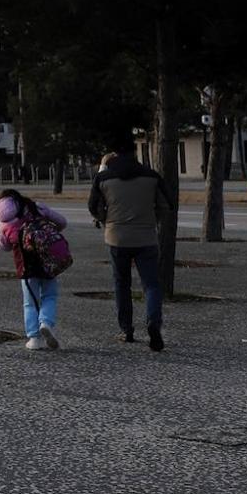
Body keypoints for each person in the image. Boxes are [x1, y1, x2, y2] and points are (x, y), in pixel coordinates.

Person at [88, 136, 172, 352]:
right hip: (146, 237)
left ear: (114, 154)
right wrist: (153, 221)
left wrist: (107, 220)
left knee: (121, 284)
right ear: (135, 153)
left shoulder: (104, 179)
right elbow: (166, 205)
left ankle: (127, 329)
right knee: (152, 284)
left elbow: (93, 206)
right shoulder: (151, 176)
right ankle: (154, 322)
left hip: (117, 237)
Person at [0, 188, 69, 351]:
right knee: (50, 295)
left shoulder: (4, 225)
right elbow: (62, 222)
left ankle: (34, 338)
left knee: (30, 303)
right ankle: (46, 322)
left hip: (25, 266)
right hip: (48, 262)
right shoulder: (37, 208)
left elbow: (4, 247)